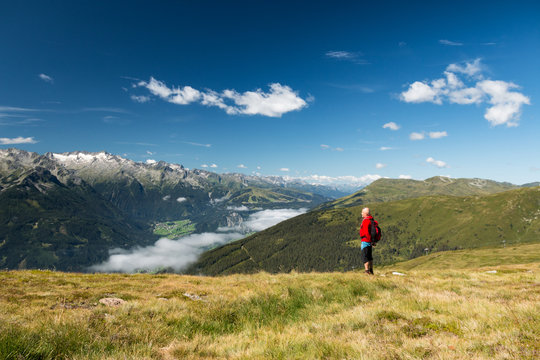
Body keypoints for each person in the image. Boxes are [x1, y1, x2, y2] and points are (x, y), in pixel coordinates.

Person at [359, 207, 376, 275]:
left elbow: (366, 232)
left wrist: (369, 240)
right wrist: (372, 241)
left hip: (365, 241)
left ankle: (367, 271)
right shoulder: (371, 220)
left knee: (365, 256)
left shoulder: (366, 221)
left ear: (366, 213)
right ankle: (371, 270)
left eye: (362, 212)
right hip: (370, 241)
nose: (361, 213)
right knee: (369, 256)